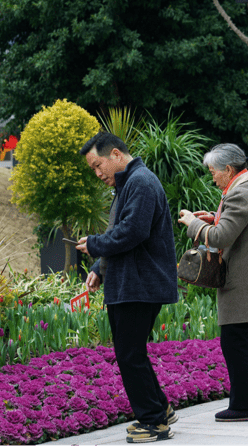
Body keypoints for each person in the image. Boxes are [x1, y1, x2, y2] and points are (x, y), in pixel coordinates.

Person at [76, 132, 179, 443]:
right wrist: (98, 269)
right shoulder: (130, 183)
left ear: (117, 155)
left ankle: (154, 422)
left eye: (98, 165)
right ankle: (159, 408)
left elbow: (132, 232)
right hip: (131, 283)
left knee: (129, 354)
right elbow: (119, 232)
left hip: (140, 284)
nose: (98, 174)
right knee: (131, 352)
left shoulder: (141, 183)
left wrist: (94, 245)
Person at [177, 143, 248, 422]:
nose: (212, 178)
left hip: (243, 286)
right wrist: (214, 219)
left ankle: (244, 406)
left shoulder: (240, 194)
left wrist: (192, 223)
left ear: (229, 169)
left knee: (235, 343)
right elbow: (237, 228)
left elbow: (221, 238)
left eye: (214, 172)